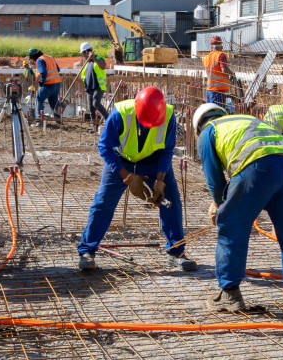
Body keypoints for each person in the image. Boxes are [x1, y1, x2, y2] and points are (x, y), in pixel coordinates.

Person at [192, 103, 283, 317]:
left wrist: (221, 205)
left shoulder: (208, 131)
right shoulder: (246, 120)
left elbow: (215, 180)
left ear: (198, 126)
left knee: (231, 226)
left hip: (258, 166)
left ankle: (229, 293)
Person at [77, 86, 195, 272]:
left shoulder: (169, 116)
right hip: (121, 160)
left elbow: (167, 150)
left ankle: (176, 252)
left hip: (154, 160)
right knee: (103, 201)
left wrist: (160, 180)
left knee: (171, 200)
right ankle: (87, 251)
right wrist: (127, 177)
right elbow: (105, 147)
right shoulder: (120, 114)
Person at [79, 42, 109, 128]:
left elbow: (103, 66)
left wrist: (94, 58)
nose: (83, 56)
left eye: (83, 53)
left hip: (98, 87)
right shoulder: (87, 63)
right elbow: (84, 75)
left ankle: (108, 118)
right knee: (91, 108)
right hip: (89, 88)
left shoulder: (99, 58)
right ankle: (94, 127)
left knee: (96, 103)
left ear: (86, 52)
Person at [28, 48, 61, 119]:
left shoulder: (39, 60)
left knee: (39, 99)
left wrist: (41, 81)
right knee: (54, 102)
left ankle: (39, 119)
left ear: (34, 56)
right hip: (57, 84)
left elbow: (43, 72)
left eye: (32, 58)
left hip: (48, 84)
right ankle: (58, 119)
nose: (33, 60)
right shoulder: (50, 57)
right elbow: (58, 69)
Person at [202, 36, 233, 107]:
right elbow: (224, 70)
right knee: (218, 113)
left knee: (211, 112)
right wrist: (232, 74)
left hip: (209, 90)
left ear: (211, 47)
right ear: (221, 46)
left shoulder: (205, 58)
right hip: (218, 91)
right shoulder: (221, 55)